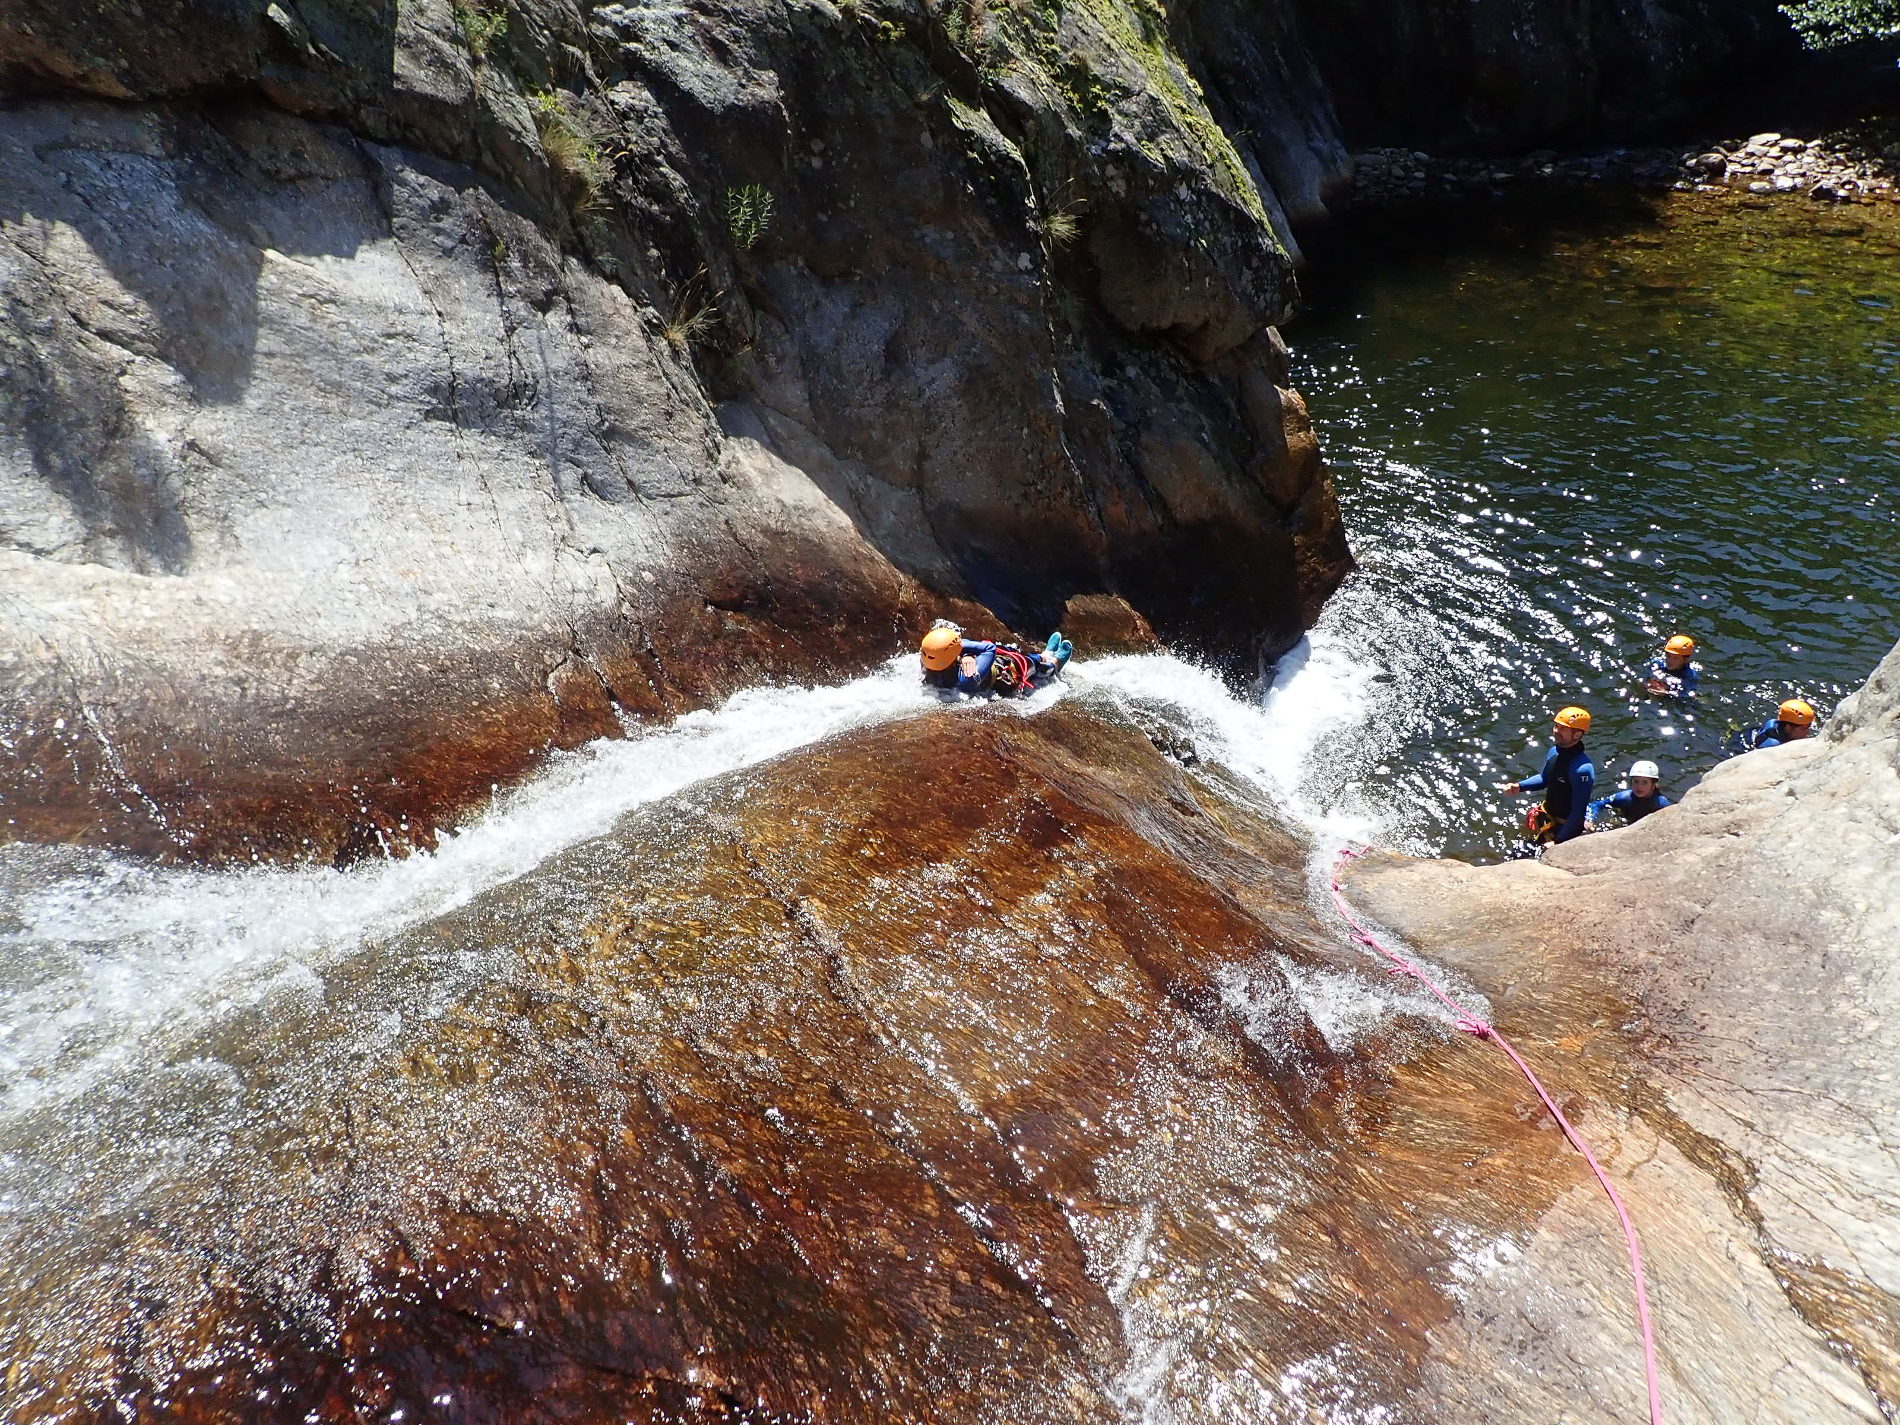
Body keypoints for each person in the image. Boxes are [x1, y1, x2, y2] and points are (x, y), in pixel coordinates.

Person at [1500, 705, 1596, 845]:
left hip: (1566, 827)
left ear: (1577, 735)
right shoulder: (1554, 752)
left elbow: (1577, 814)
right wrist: (1519, 786)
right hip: (1549, 816)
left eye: (1563, 728)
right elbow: (1544, 778)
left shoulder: (1582, 770)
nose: (1556, 731)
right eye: (1556, 726)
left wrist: (1557, 842)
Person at [1586, 759, 1671, 828]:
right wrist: (1589, 819)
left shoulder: (1661, 803)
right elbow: (1596, 804)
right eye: (1636, 781)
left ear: (1653, 785)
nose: (1639, 786)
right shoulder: (1624, 797)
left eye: (1644, 782)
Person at [919, 623, 997, 697]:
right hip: (993, 684)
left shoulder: (927, 661)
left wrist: (964, 655)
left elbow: (937, 651)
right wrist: (961, 650)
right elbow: (990, 648)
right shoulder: (968, 676)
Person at [1745, 698, 1817, 749]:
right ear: (1788, 727)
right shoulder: (1772, 746)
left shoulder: (1777, 725)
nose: (1807, 732)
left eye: (1808, 727)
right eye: (1803, 729)